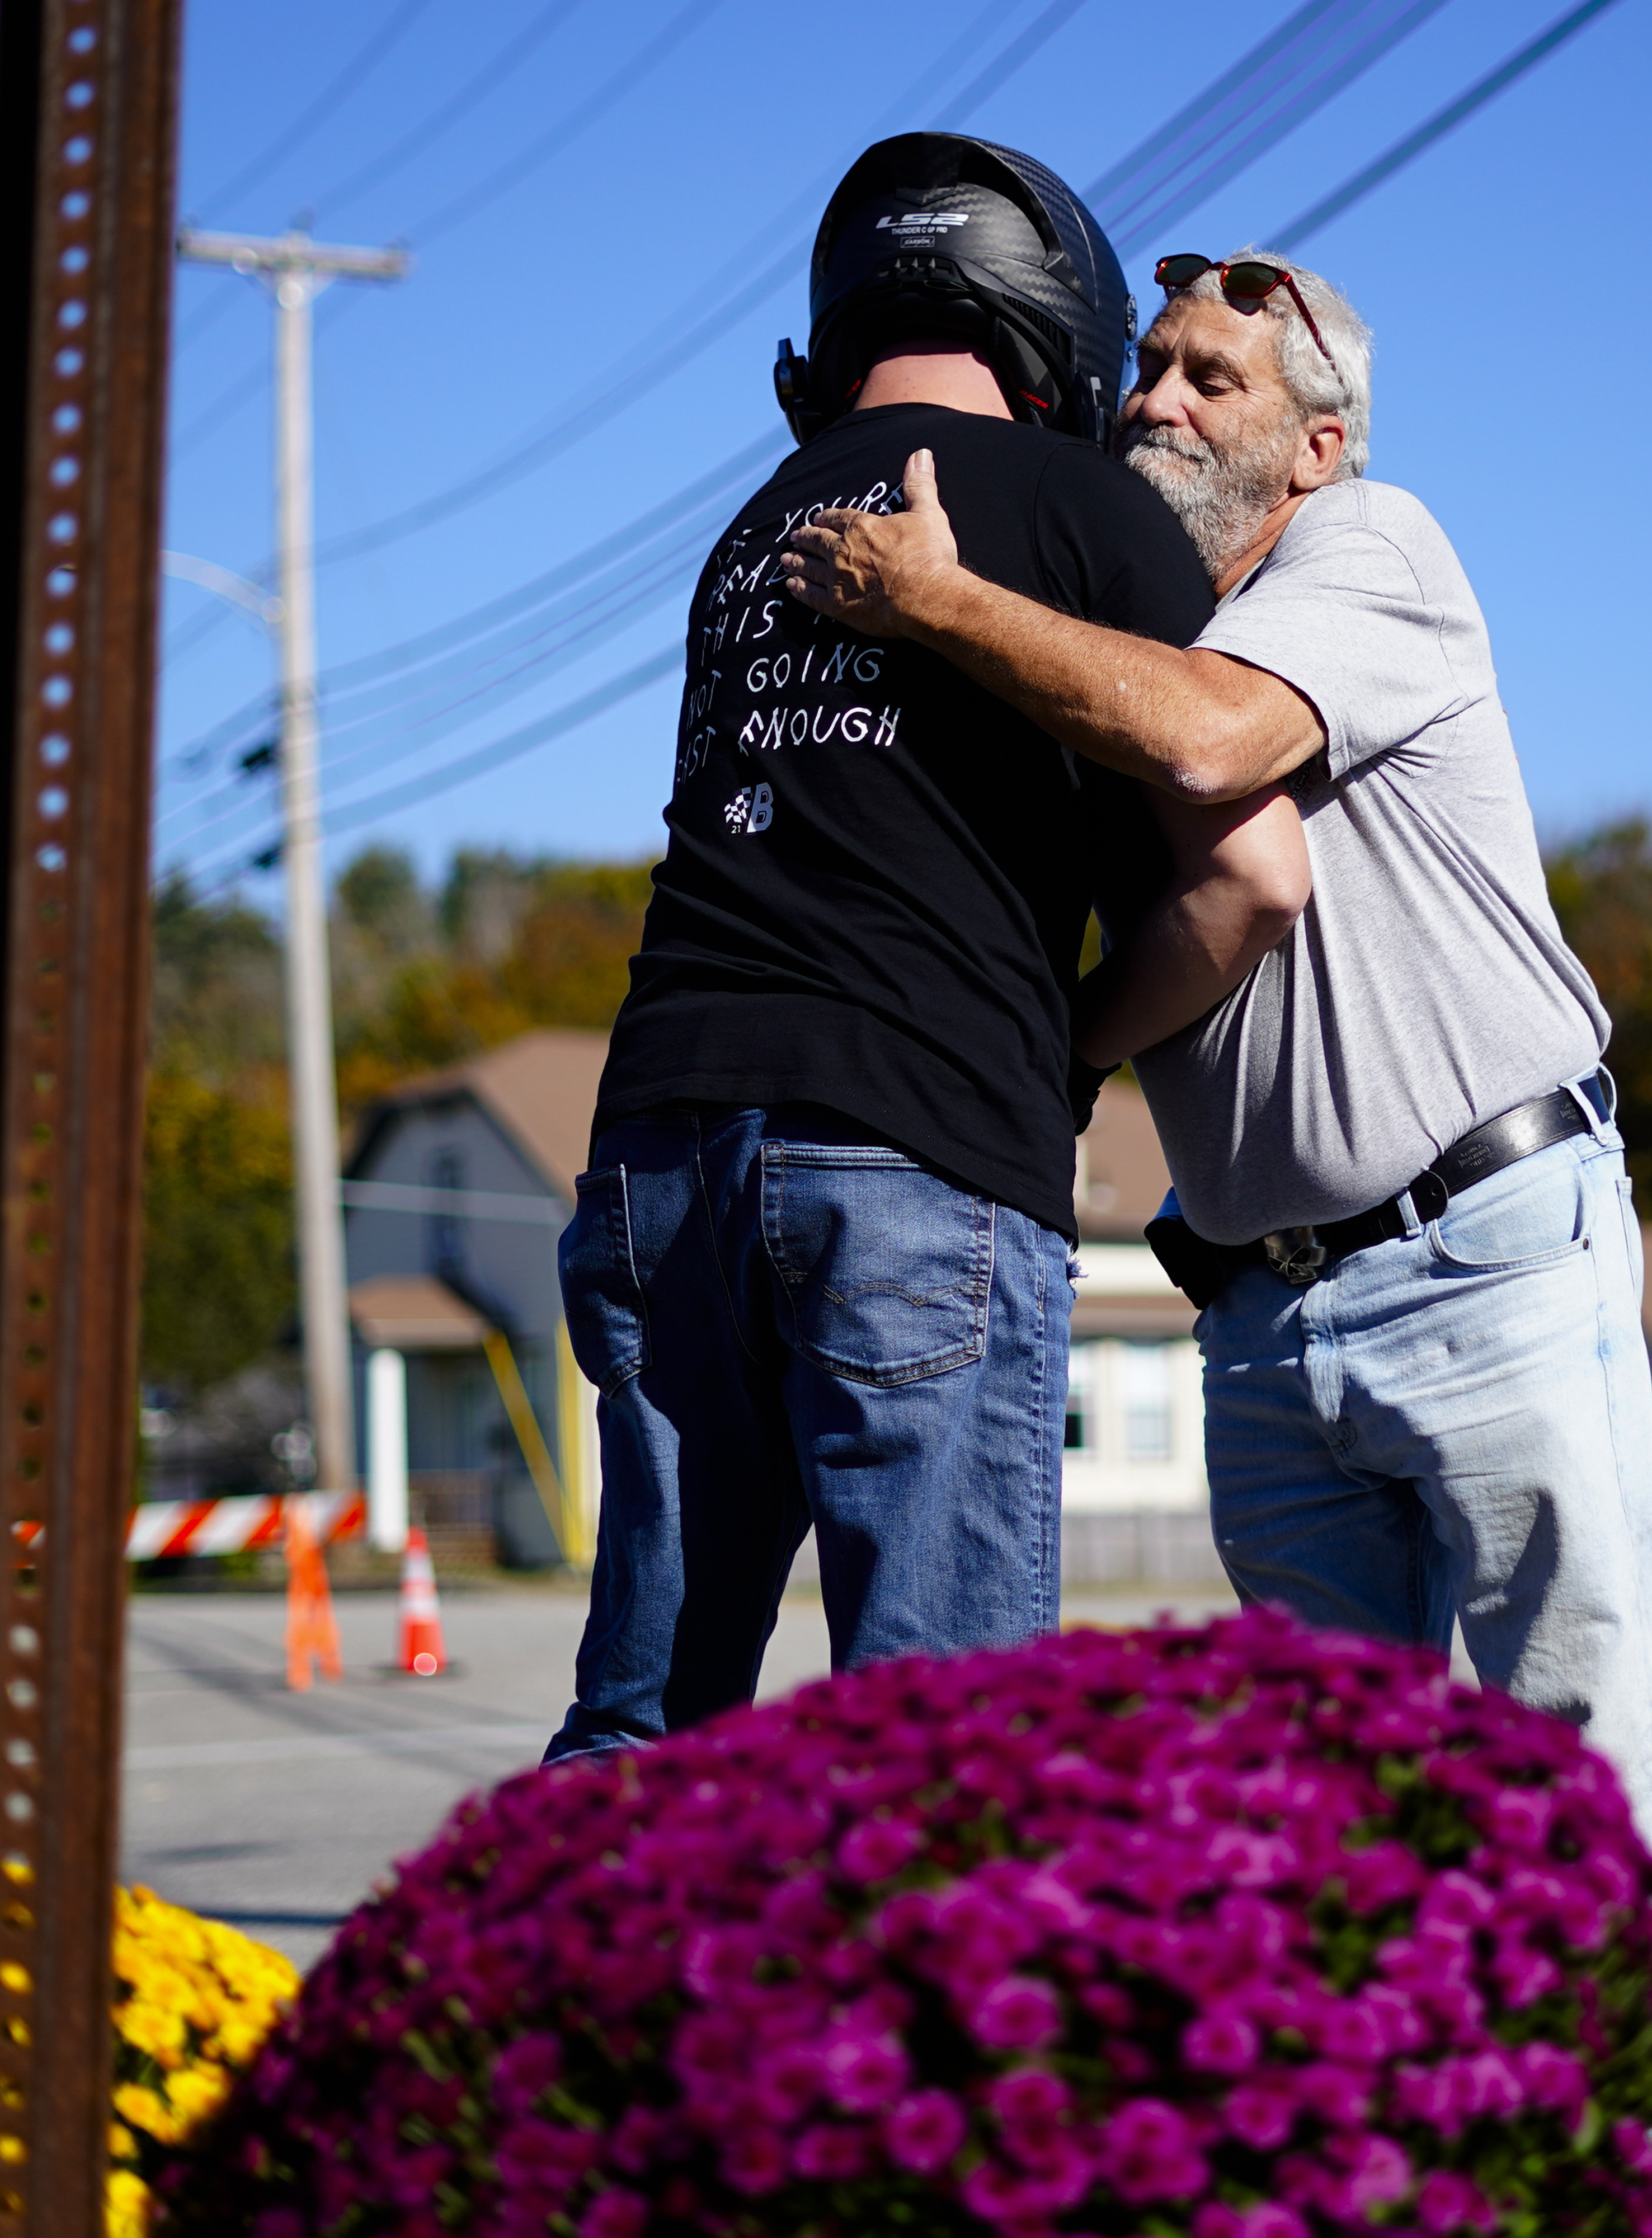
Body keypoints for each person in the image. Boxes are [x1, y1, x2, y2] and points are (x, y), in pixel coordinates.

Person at [779, 249, 1652, 1861]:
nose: (1156, 401)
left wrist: (933, 599)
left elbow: (1210, 740)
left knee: (1584, 1784)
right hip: (1265, 1319)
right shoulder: (1122, 640)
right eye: (1150, 367)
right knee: (1347, 1839)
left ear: (1317, 450)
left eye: (1216, 379)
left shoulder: (1373, 550)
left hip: (1481, 1252)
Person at [547, 138, 1307, 1760]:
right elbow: (1251, 876)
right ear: (1061, 330)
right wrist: (1074, 1053)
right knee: (939, 1759)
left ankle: (577, 2016)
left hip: (659, 1148)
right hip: (913, 1147)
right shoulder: (1080, 503)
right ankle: (911, 2028)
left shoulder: (753, 529)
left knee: (643, 1729)